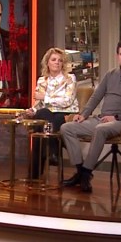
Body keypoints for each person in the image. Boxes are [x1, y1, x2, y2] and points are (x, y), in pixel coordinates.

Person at [59, 41, 121, 193]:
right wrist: (83, 114)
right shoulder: (110, 75)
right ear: (117, 56)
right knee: (66, 128)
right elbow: (96, 97)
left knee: (101, 129)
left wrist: (116, 117)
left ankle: (86, 173)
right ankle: (80, 171)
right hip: (101, 119)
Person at [21, 47, 79, 178]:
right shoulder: (42, 80)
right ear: (47, 62)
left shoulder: (70, 78)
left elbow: (67, 101)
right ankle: (53, 152)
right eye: (54, 60)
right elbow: (39, 104)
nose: (57, 62)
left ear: (63, 63)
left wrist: (45, 97)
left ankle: (34, 174)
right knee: (42, 116)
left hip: (65, 113)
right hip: (47, 113)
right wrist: (32, 110)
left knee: (40, 127)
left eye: (60, 60)